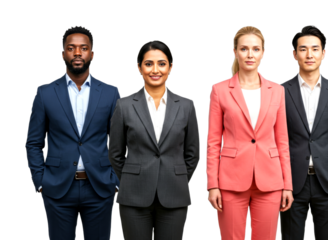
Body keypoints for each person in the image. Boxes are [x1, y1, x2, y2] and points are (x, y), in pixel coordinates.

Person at [25, 24, 120, 240]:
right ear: (63, 54)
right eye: (71, 48)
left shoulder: (110, 92)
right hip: (57, 188)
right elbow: (33, 142)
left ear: (92, 53)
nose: (77, 53)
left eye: (83, 48)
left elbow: (120, 141)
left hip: (100, 188)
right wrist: (41, 182)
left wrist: (116, 181)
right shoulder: (45, 93)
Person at [206, 24, 294, 240]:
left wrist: (287, 185)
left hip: (270, 181)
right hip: (230, 180)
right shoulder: (219, 89)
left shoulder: (277, 90)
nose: (250, 54)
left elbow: (282, 140)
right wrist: (212, 185)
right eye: (244, 49)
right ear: (234, 51)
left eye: (255, 49)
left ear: (263, 52)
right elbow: (213, 141)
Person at [108, 39, 200, 240]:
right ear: (139, 67)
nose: (155, 69)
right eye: (148, 63)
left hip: (175, 195)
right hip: (133, 196)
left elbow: (192, 154)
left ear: (171, 67)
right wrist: (133, 178)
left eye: (161, 63)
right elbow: (115, 153)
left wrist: (177, 178)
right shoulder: (124, 105)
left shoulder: (186, 105)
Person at [279, 23, 328, 240]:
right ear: (294, 54)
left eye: (315, 48)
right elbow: (276, 138)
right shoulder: (280, 91)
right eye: (303, 49)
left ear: (324, 53)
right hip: (292, 184)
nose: (309, 54)